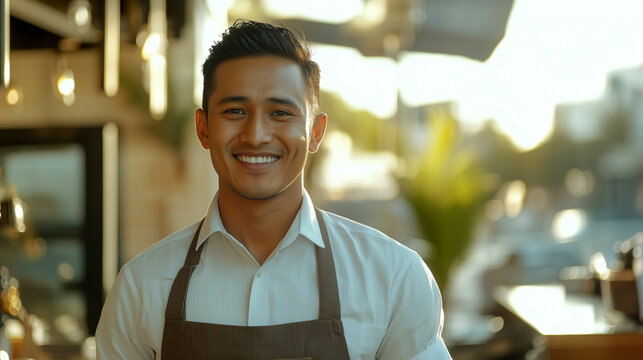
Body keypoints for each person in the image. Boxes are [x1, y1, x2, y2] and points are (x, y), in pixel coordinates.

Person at [96, 20, 452, 359]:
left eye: (281, 113)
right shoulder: (140, 286)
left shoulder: (393, 277)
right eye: (235, 110)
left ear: (315, 132)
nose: (255, 135)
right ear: (204, 129)